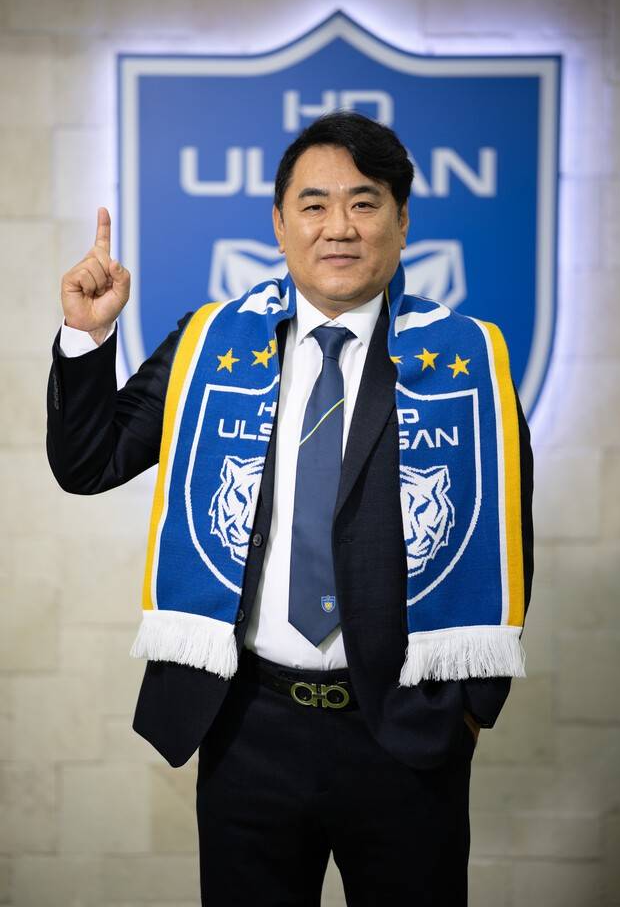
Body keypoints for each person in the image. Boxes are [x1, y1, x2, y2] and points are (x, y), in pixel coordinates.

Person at [47, 111, 533, 906]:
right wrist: (85, 337)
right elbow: (88, 463)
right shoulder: (211, 342)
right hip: (248, 728)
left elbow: (507, 530)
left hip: (404, 733)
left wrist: (467, 713)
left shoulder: (466, 358)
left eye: (364, 202)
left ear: (402, 222)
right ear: (279, 225)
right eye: (314, 204)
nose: (339, 226)